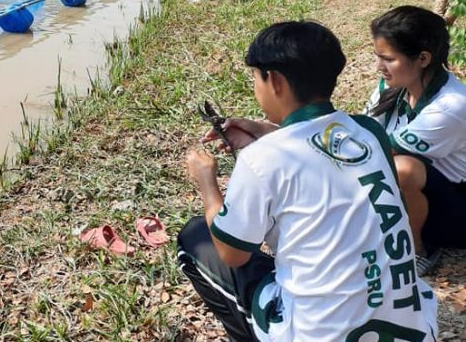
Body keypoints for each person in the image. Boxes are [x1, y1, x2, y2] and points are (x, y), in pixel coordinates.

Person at [178, 21, 438, 341]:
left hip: (316, 333)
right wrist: (268, 131)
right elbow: (329, 153)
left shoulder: (261, 159)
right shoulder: (369, 132)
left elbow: (232, 255)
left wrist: (207, 182)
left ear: (273, 81)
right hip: (413, 329)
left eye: (255, 79)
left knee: (195, 236)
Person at [365, 5, 466, 275]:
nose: (379, 67)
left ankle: (419, 250)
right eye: (378, 57)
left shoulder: (451, 107)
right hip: (424, 197)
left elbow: (376, 152)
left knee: (402, 169)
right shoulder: (393, 86)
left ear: (423, 58)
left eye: (388, 58)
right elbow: (364, 135)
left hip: (457, 211)